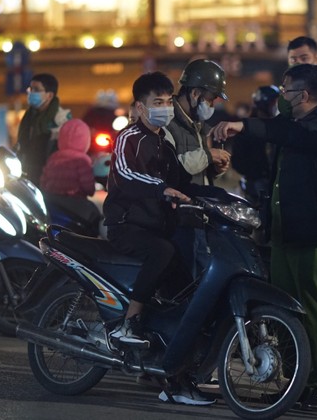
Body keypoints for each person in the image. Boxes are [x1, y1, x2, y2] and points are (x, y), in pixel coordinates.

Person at [211, 64, 317, 412]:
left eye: (287, 91)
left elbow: (294, 137)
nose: (282, 96)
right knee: (282, 308)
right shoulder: (294, 123)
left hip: (316, 232)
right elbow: (279, 136)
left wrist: (247, 125)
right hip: (284, 232)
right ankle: (293, 383)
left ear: (306, 94)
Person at [101, 72, 214, 407]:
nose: (164, 108)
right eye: (157, 103)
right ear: (139, 107)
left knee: (184, 290)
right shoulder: (128, 138)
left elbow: (181, 180)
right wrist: (160, 188)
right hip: (127, 225)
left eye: (167, 102)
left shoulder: (165, 142)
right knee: (163, 252)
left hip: (156, 227)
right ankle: (129, 322)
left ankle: (173, 380)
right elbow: (126, 174)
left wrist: (213, 198)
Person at [166, 59, 231, 274]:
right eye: (211, 99)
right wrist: (207, 155)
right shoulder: (168, 122)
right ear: (195, 94)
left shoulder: (199, 125)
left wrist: (215, 169)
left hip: (198, 216)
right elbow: (174, 169)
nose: (212, 105)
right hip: (178, 220)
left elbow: (199, 172)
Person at [16, 73, 71, 184]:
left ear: (49, 95)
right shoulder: (29, 116)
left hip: (49, 175)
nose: (31, 92)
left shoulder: (61, 119)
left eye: (36, 89)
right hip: (26, 171)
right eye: (30, 89)